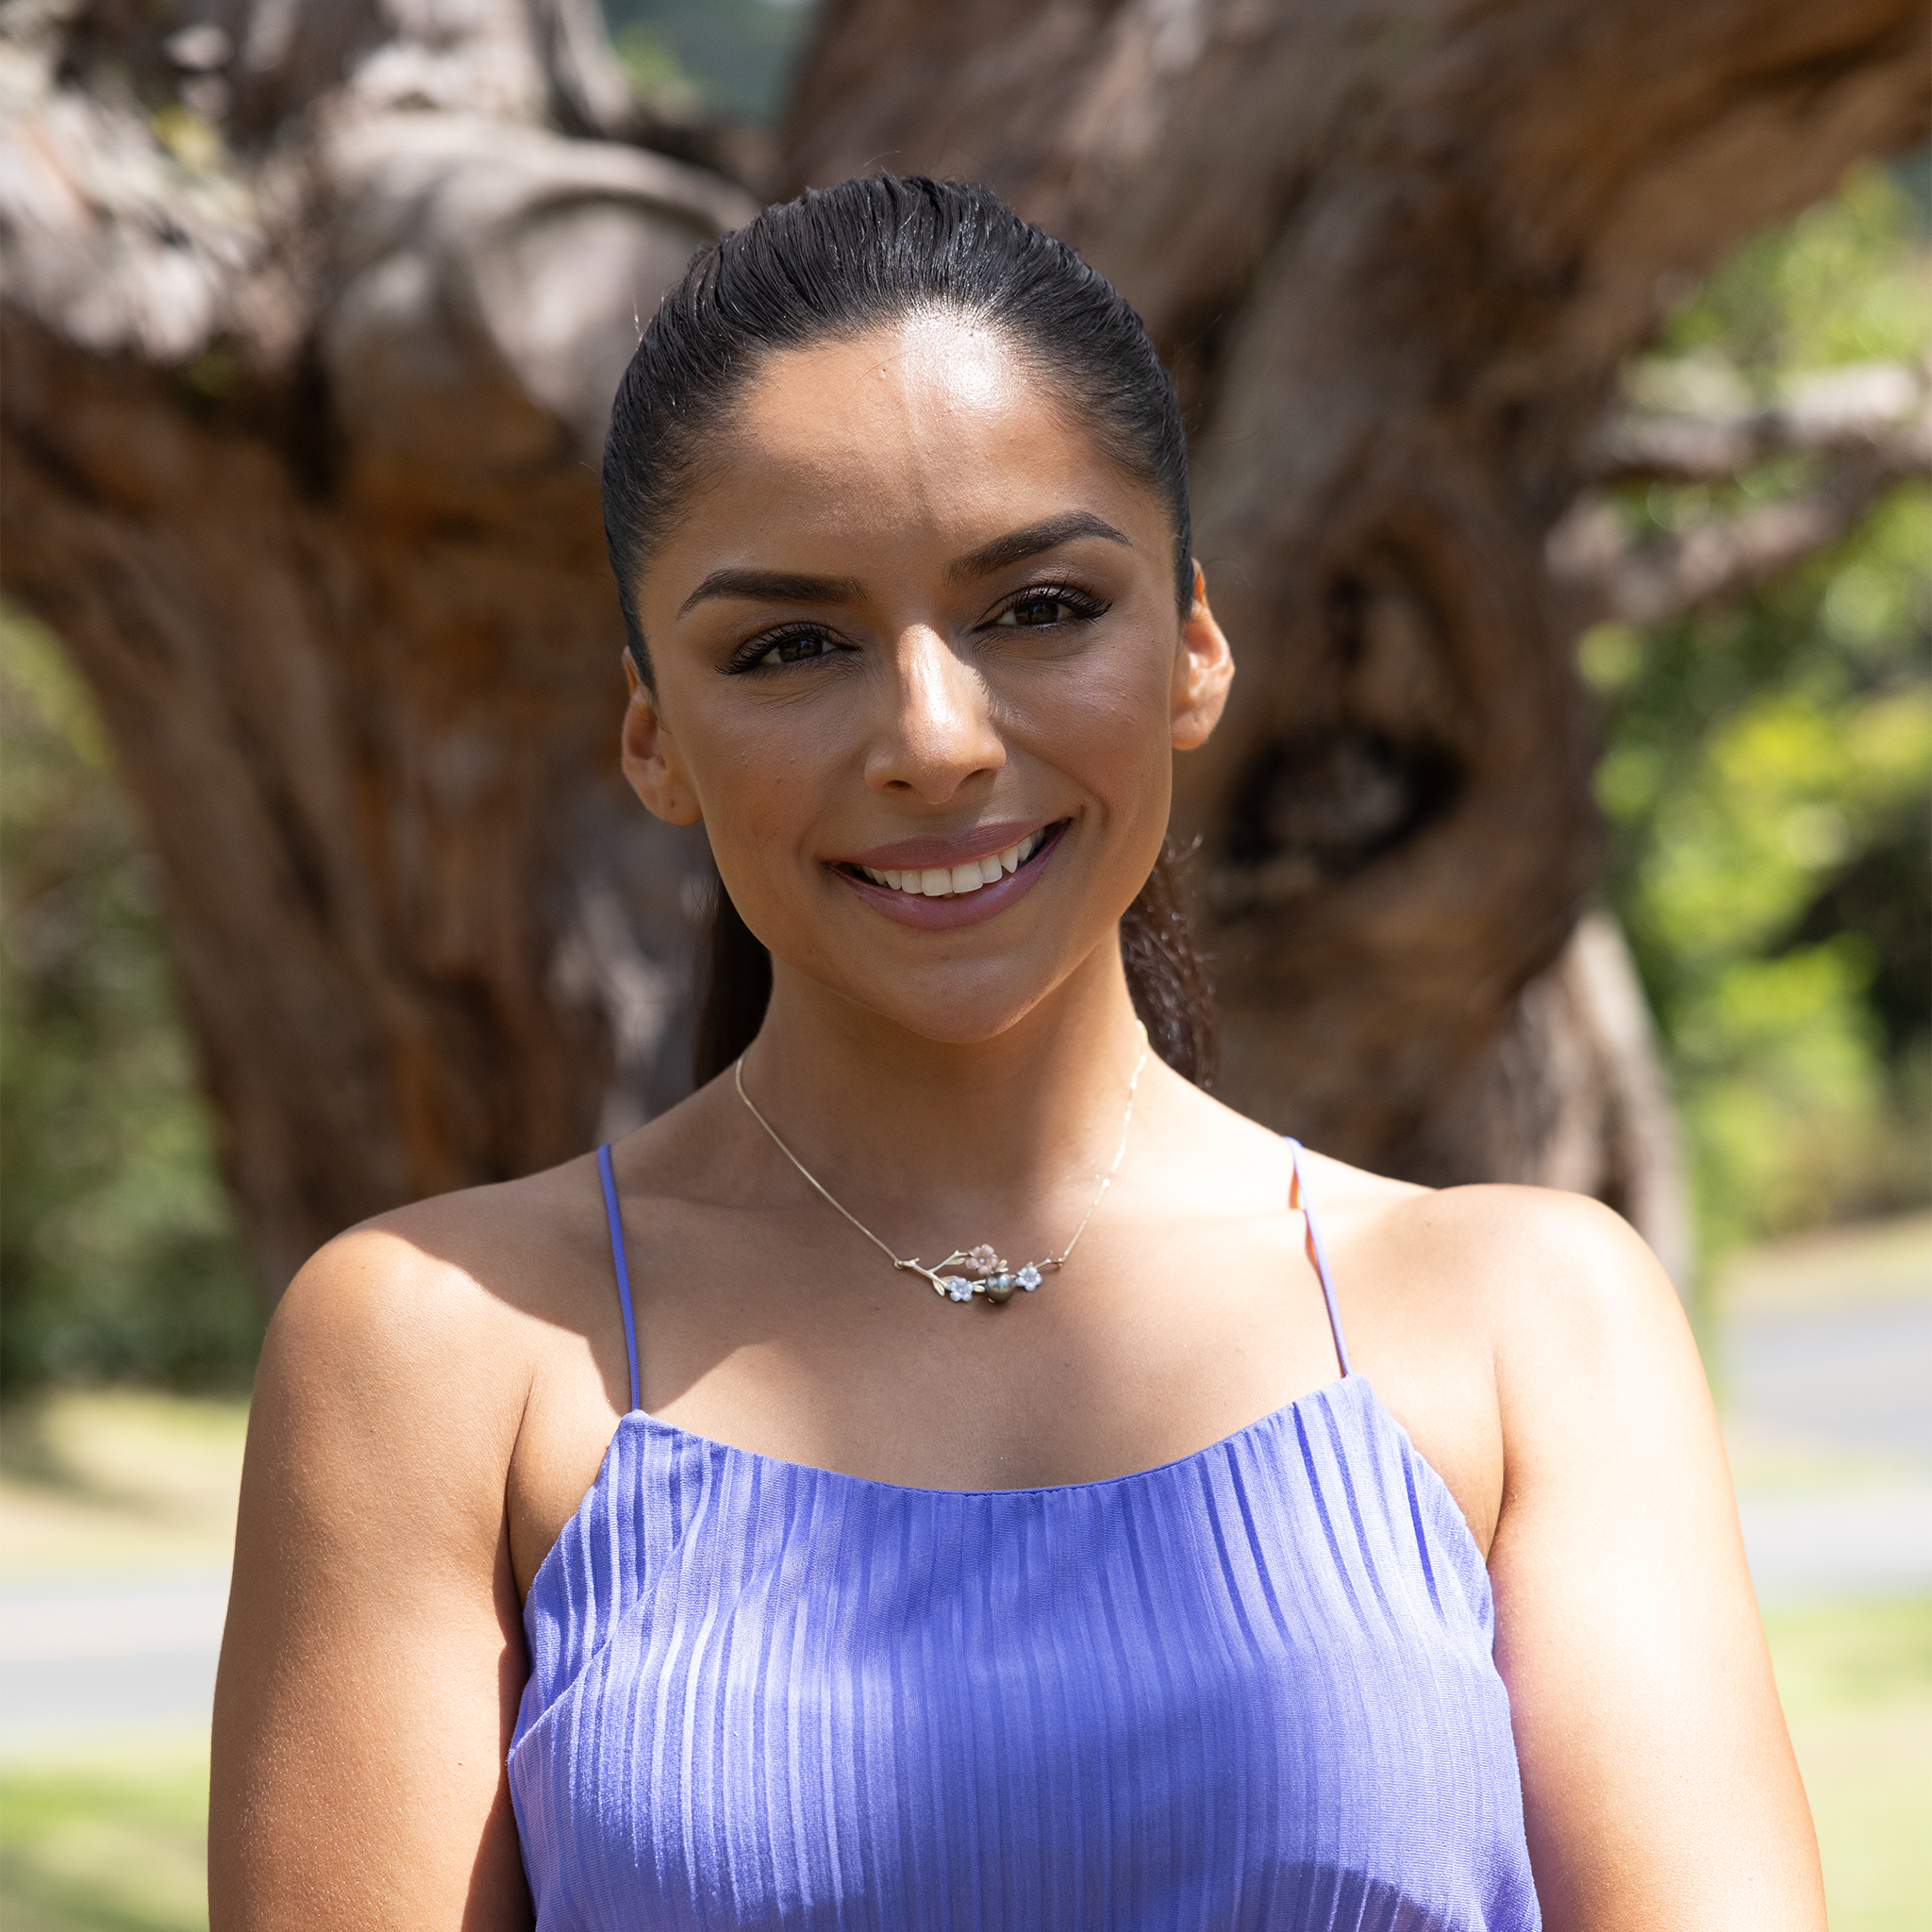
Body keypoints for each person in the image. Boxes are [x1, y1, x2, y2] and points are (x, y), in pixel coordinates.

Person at [209, 175, 1823, 1930]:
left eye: (1041, 608)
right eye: (791, 645)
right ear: (653, 736)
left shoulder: (1530, 1324)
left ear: (1191, 650)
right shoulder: (443, 1354)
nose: (936, 737)